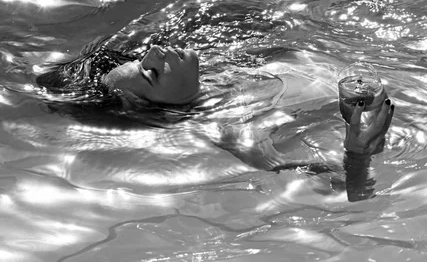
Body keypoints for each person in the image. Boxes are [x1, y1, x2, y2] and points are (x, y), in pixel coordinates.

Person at [37, 38, 395, 201]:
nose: (158, 52)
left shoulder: (220, 67)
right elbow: (344, 190)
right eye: (151, 73)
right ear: (142, 106)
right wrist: (360, 151)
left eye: (143, 55)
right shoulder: (228, 129)